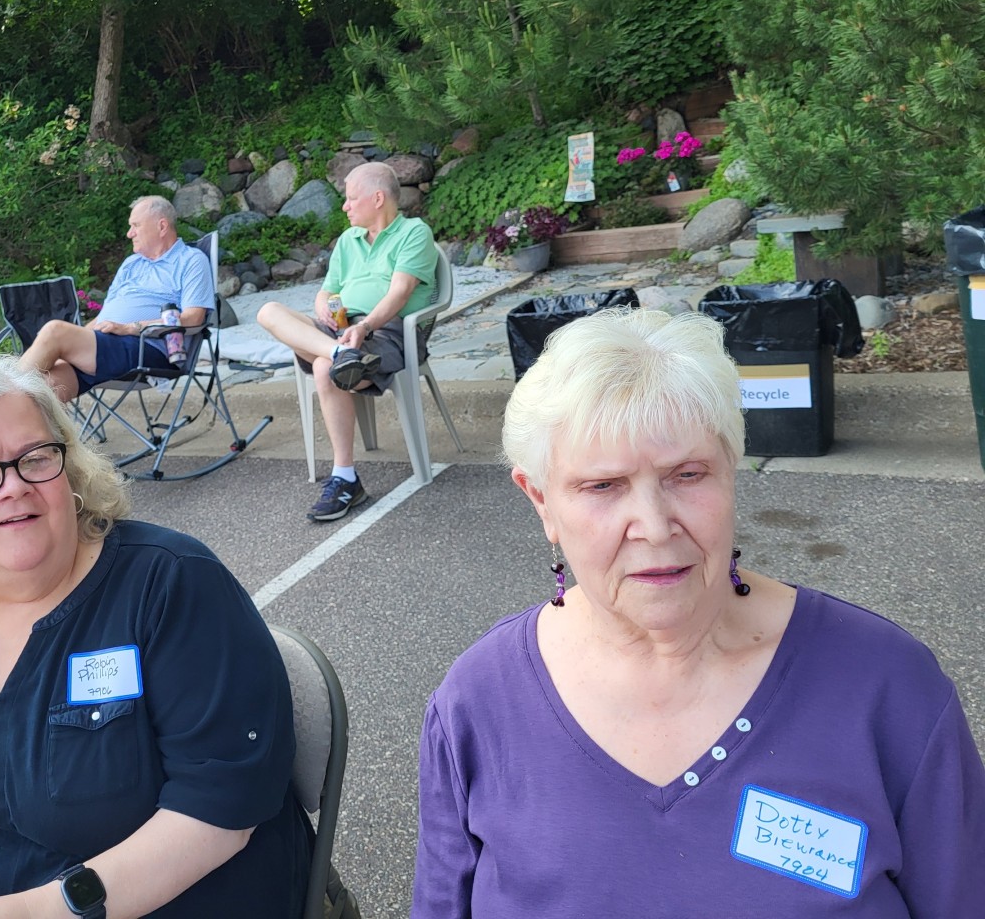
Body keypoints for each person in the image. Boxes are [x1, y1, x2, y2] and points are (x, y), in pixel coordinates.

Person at [412, 308, 985, 917]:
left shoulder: (885, 684)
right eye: (603, 486)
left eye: (687, 475)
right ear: (540, 500)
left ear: (730, 471)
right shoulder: (478, 703)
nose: (655, 527)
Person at [0, 357, 309, 919]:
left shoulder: (169, 583)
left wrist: (43, 911)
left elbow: (221, 804)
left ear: (69, 471)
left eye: (36, 458)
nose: (14, 486)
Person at [257, 161, 437, 522]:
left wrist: (365, 327)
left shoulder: (414, 233)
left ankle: (345, 477)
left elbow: (400, 293)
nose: (345, 205)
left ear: (378, 198)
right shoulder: (348, 241)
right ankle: (343, 355)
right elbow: (326, 292)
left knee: (325, 369)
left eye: (352, 198)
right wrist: (326, 311)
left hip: (387, 332)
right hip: (340, 334)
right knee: (268, 311)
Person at [21, 195, 213, 401]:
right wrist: (78, 338)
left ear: (162, 226)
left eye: (135, 225)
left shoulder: (191, 260)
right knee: (39, 391)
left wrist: (130, 328)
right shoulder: (131, 264)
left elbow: (194, 318)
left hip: (146, 348)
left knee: (55, 331)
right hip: (105, 347)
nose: (130, 233)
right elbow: (104, 316)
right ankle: (6, 403)